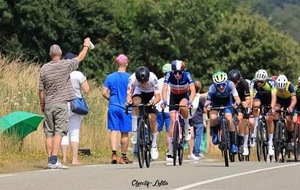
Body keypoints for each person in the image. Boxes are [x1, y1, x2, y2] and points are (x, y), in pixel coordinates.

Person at [39, 37, 91, 169]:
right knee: (59, 131)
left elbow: (41, 89)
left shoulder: (44, 68)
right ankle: (54, 159)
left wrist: (42, 104)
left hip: (49, 104)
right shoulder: (65, 65)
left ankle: (49, 158)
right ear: (60, 54)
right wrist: (86, 46)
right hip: (61, 103)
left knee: (49, 132)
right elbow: (79, 58)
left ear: (50, 55)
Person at [161, 60, 196, 165]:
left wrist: (190, 101)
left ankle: (186, 125)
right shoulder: (169, 75)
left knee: (183, 106)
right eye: (175, 72)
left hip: (184, 96)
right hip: (173, 97)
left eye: (179, 73)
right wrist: (164, 101)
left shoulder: (187, 75)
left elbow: (193, 90)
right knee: (172, 120)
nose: (177, 75)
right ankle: (171, 150)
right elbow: (164, 89)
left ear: (183, 71)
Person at [102, 54, 133, 164]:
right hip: (126, 107)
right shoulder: (130, 78)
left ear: (116, 64)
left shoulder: (110, 77)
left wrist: (111, 100)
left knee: (114, 130)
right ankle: (123, 156)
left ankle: (114, 154)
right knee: (124, 132)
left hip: (113, 106)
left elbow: (104, 92)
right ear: (127, 64)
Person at [60, 53, 90, 165]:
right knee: (75, 131)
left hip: (63, 104)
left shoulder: (61, 74)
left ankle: (63, 158)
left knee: (63, 132)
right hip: (76, 105)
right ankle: (74, 159)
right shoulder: (78, 74)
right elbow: (87, 90)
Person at [126, 66, 160, 160]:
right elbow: (129, 94)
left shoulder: (153, 78)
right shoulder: (132, 79)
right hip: (139, 93)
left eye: (145, 82)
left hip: (151, 95)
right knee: (135, 103)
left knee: (152, 118)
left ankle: (154, 144)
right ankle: (134, 131)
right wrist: (129, 101)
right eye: (141, 83)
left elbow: (158, 96)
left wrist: (153, 102)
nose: (144, 84)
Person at [203, 71, 241, 154]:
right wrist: (207, 106)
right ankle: (215, 132)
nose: (221, 87)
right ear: (215, 84)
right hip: (215, 101)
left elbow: (237, 99)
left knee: (229, 118)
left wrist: (236, 104)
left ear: (226, 83)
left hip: (227, 101)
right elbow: (207, 101)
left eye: (223, 85)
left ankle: (233, 144)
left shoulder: (231, 84)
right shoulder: (212, 88)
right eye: (218, 85)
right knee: (213, 117)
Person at [250, 69, 276, 155]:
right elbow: (251, 96)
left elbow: (274, 96)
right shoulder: (253, 82)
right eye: (258, 81)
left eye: (261, 82)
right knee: (255, 105)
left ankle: (270, 142)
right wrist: (250, 106)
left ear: (265, 80)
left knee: (269, 119)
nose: (259, 83)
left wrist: (272, 108)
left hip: (269, 98)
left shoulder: (271, 83)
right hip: (259, 97)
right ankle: (256, 127)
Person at [228, 69, 252, 156]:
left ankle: (241, 139)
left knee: (240, 118)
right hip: (230, 101)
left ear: (239, 80)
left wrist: (246, 103)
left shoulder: (244, 83)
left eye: (235, 81)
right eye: (232, 81)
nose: (234, 83)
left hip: (241, 102)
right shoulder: (228, 85)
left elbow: (248, 98)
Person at [274, 74, 296, 149]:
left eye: (282, 89)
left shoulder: (290, 86)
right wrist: (273, 108)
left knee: (288, 119)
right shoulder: (275, 86)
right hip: (280, 100)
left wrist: (290, 107)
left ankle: (290, 139)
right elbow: (273, 98)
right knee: (275, 111)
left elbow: (294, 99)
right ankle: (276, 131)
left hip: (289, 101)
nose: (281, 90)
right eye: (280, 89)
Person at [188, 81, 207, 160]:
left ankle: (191, 152)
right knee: (198, 136)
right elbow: (204, 110)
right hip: (199, 119)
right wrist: (204, 119)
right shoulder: (201, 98)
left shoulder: (188, 97)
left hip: (190, 118)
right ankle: (196, 152)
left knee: (191, 136)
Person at [156, 63, 172, 149]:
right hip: (169, 108)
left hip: (159, 107)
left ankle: (153, 146)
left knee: (156, 130)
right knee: (169, 131)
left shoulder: (158, 81)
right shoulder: (171, 82)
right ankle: (169, 150)